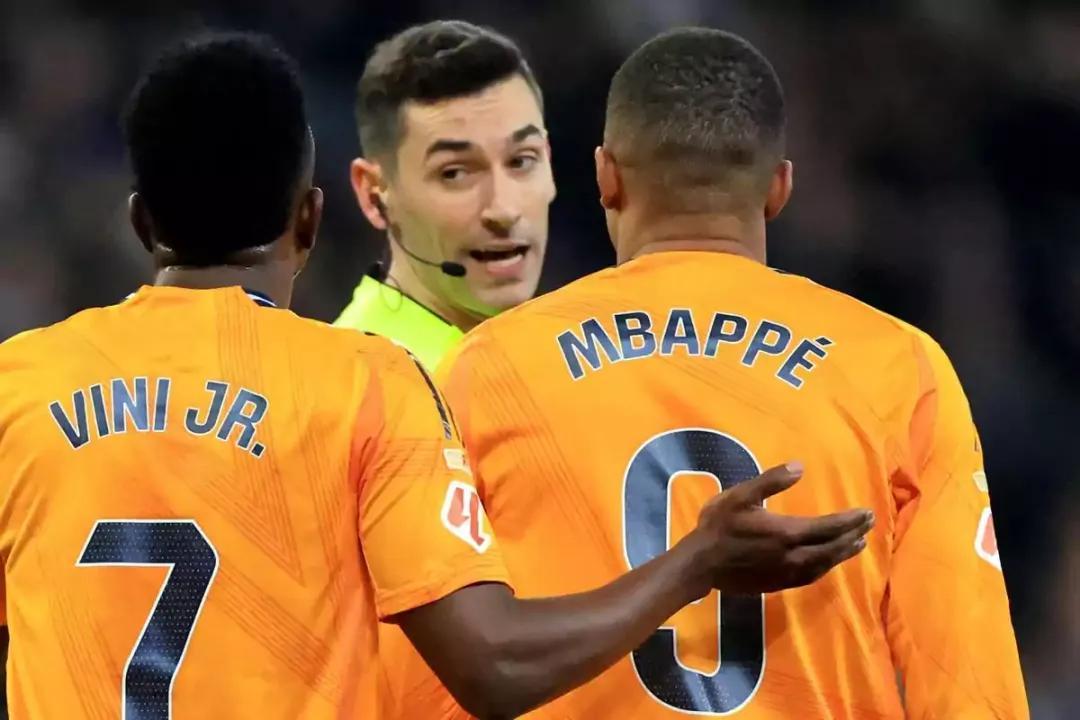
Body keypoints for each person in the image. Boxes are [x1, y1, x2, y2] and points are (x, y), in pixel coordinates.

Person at [0, 32, 874, 719]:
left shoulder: (19, 385)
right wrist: (692, 563)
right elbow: (494, 664)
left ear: (141, 223)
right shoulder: (365, 386)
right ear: (309, 221)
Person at [428, 28, 1031, 719]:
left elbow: (428, 672)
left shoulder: (488, 367)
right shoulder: (896, 367)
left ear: (605, 177)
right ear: (779, 188)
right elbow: (967, 684)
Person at [334, 20, 554, 369]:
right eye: (455, 173)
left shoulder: (580, 360)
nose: (503, 209)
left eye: (521, 161)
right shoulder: (352, 385)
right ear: (374, 194)